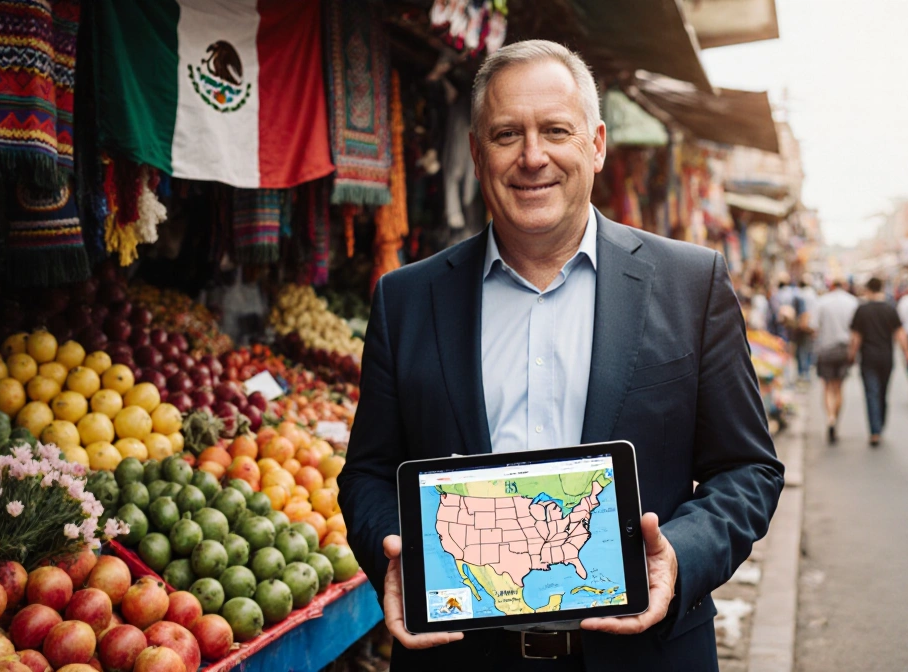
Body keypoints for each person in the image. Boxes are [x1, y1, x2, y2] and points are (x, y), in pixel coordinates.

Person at [337, 40, 784, 671]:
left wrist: (678, 554)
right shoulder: (406, 300)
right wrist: (397, 553)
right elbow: (367, 475)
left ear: (596, 145)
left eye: (555, 130)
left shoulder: (691, 283)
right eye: (506, 134)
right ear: (475, 151)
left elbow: (748, 470)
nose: (532, 157)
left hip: (645, 656)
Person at [848, 277, 908, 447]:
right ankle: (880, 424)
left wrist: (851, 354)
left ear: (868, 289)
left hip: (868, 357)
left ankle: (875, 431)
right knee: (883, 393)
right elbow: (900, 333)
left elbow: (856, 337)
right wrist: (907, 353)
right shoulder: (890, 309)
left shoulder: (861, 310)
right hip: (886, 357)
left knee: (871, 393)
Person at [808, 278, 859, 444]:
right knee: (839, 387)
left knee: (827, 387)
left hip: (826, 350)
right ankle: (835, 420)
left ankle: (829, 418)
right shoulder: (852, 302)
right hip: (844, 349)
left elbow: (813, 327)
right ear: (844, 286)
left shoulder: (822, 302)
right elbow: (856, 330)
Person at [794, 275, 818, 382]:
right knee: (808, 349)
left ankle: (803, 373)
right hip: (811, 325)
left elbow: (803, 312)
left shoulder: (800, 295)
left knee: (802, 350)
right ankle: (807, 372)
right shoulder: (813, 294)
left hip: (802, 326)